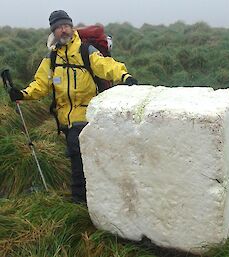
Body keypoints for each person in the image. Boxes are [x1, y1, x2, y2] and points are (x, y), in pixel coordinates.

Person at [9, 10, 138, 203]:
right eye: (59, 27)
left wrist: (124, 76)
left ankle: (80, 200)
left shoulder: (85, 51)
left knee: (78, 154)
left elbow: (105, 65)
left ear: (72, 27)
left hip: (87, 114)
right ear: (54, 31)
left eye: (66, 25)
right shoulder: (52, 58)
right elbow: (41, 84)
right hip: (65, 119)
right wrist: (23, 94)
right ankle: (93, 197)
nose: (64, 30)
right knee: (79, 157)